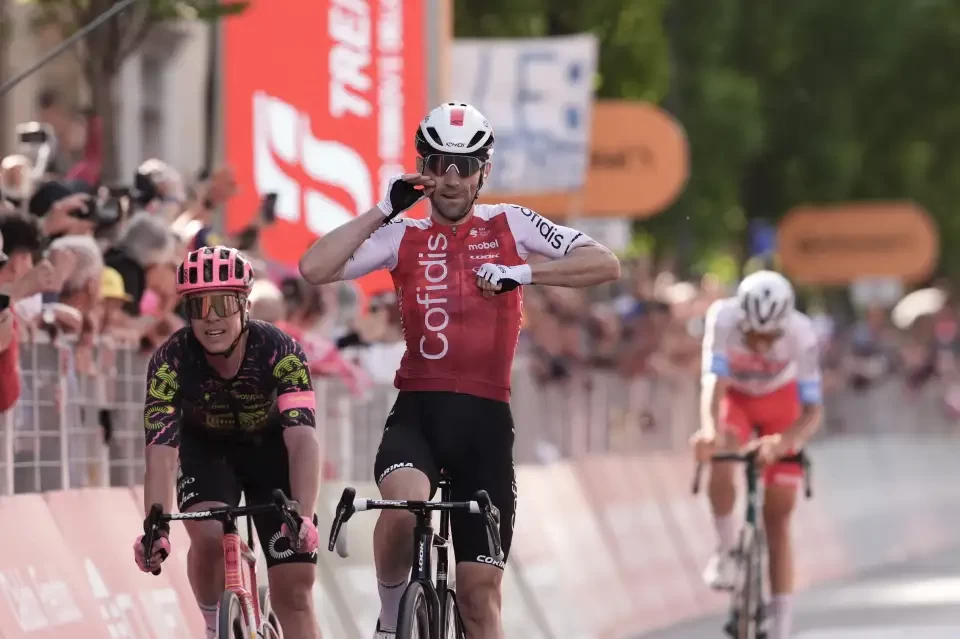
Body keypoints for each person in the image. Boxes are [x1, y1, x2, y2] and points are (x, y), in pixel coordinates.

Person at [298, 102, 621, 639]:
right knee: (403, 508)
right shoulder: (399, 234)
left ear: (483, 172)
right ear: (423, 166)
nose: (450, 179)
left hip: (484, 426)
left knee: (478, 598)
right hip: (418, 415)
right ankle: (389, 616)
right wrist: (384, 208)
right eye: (439, 164)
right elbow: (314, 268)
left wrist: (521, 273)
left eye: (464, 166)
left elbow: (605, 263)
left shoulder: (510, 223)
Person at [132, 246, 323, 639]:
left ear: (243, 304)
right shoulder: (170, 362)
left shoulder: (280, 351)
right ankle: (213, 623)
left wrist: (304, 513)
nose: (212, 318)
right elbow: (161, 452)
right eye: (200, 307)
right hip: (207, 452)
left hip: (274, 453)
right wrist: (155, 526)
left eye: (222, 304)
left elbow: (303, 438)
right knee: (208, 536)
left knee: (296, 595)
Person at [689, 270, 824, 639]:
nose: (761, 345)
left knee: (778, 521)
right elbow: (713, 383)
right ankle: (727, 548)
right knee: (722, 448)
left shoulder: (802, 332)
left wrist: (783, 443)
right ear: (742, 321)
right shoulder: (723, 316)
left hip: (782, 404)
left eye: (770, 337)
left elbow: (813, 412)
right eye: (753, 336)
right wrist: (710, 430)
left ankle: (781, 628)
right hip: (738, 399)